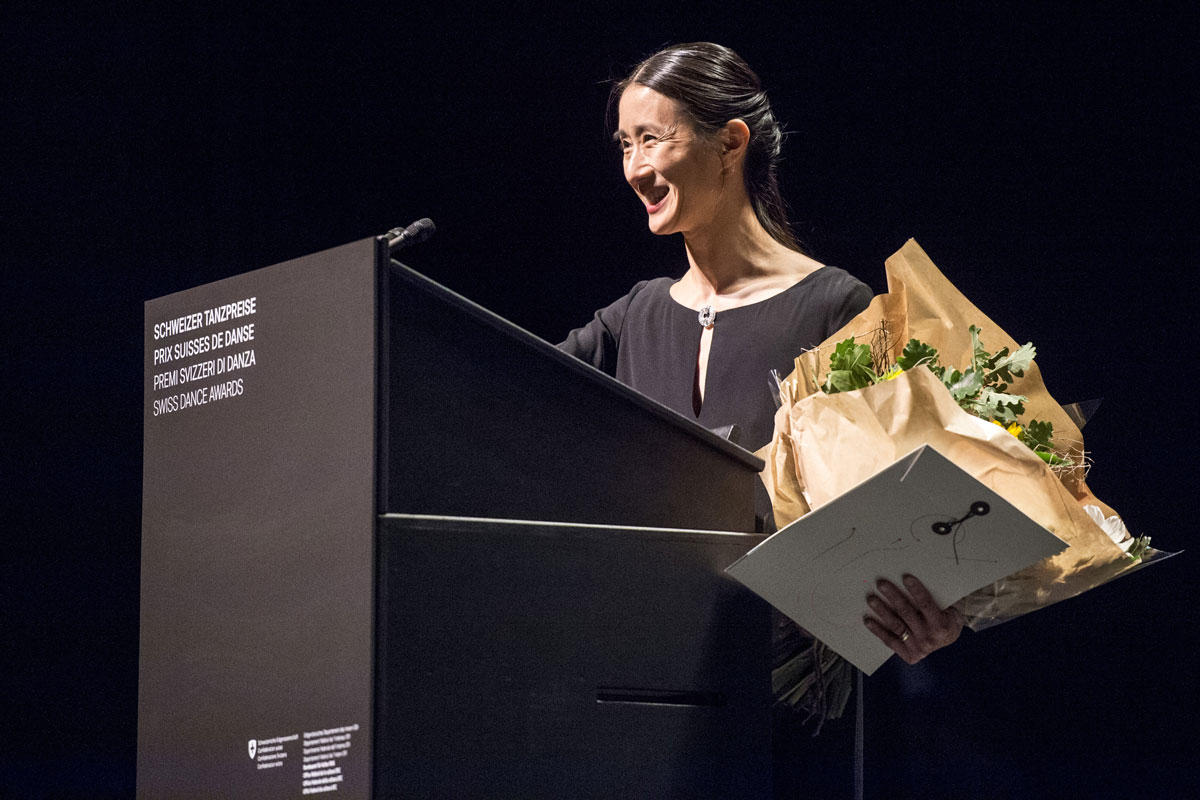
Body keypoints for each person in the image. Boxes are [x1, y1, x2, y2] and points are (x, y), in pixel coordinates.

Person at [559, 42, 963, 674]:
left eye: (651, 140)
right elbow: (502, 392)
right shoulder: (631, 319)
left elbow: (905, 513)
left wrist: (939, 605)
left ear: (730, 143)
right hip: (642, 673)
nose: (634, 168)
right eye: (624, 145)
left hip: (790, 689)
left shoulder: (837, 309)